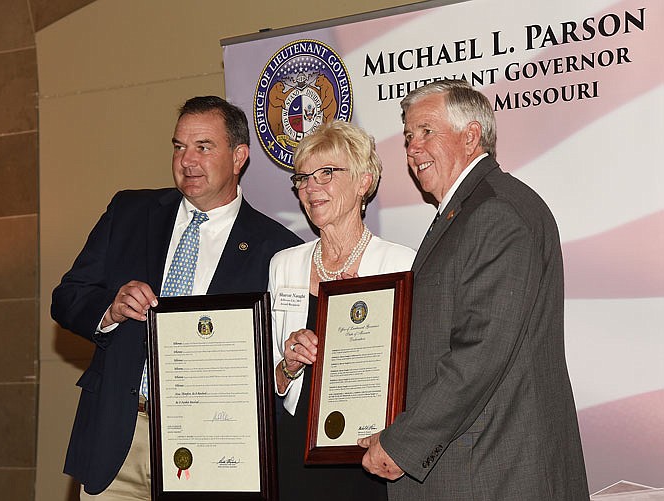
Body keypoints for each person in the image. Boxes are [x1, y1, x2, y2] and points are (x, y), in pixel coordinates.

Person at [51, 96, 302, 499]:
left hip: (214, 450)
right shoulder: (129, 212)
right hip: (118, 440)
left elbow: (277, 363)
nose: (187, 161)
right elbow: (66, 297)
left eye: (203, 147)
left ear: (239, 157)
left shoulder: (278, 249)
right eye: (179, 146)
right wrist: (109, 310)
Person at [358, 80, 590, 500]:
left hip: (489, 471)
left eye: (427, 131)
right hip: (480, 463)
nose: (412, 147)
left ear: (471, 135)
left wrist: (404, 443)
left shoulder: (495, 213)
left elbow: (478, 354)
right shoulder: (472, 210)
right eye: (409, 136)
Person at [268, 120, 415, 500]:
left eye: (326, 173)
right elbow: (269, 381)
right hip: (295, 449)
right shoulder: (283, 265)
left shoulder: (400, 265)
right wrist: (287, 366)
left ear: (364, 181)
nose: (311, 187)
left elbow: (415, 373)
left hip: (368, 450)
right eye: (303, 177)